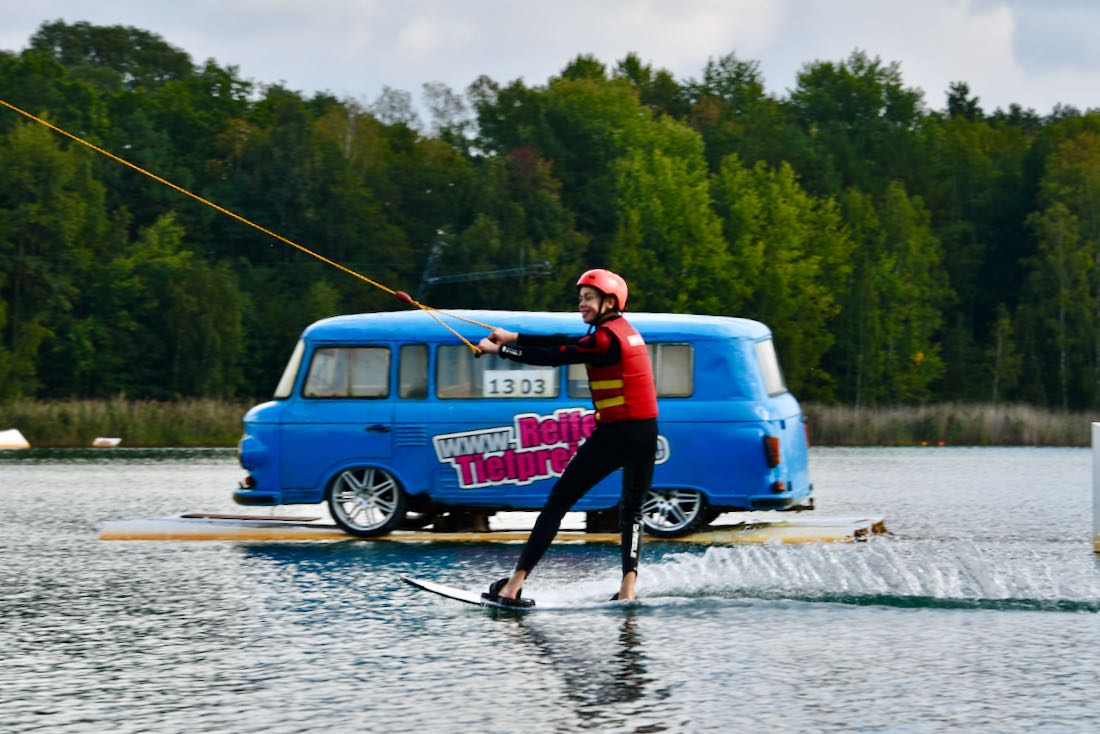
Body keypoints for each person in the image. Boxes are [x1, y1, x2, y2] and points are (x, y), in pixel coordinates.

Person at [476, 268, 659, 605]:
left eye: (588, 298)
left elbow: (555, 356)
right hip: (645, 432)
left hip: (616, 434)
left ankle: (512, 587)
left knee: (558, 504)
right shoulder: (622, 332)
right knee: (631, 511)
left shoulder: (603, 340)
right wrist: (513, 337)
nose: (582, 304)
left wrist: (499, 351)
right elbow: (565, 340)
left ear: (608, 301)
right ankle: (628, 590)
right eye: (580, 299)